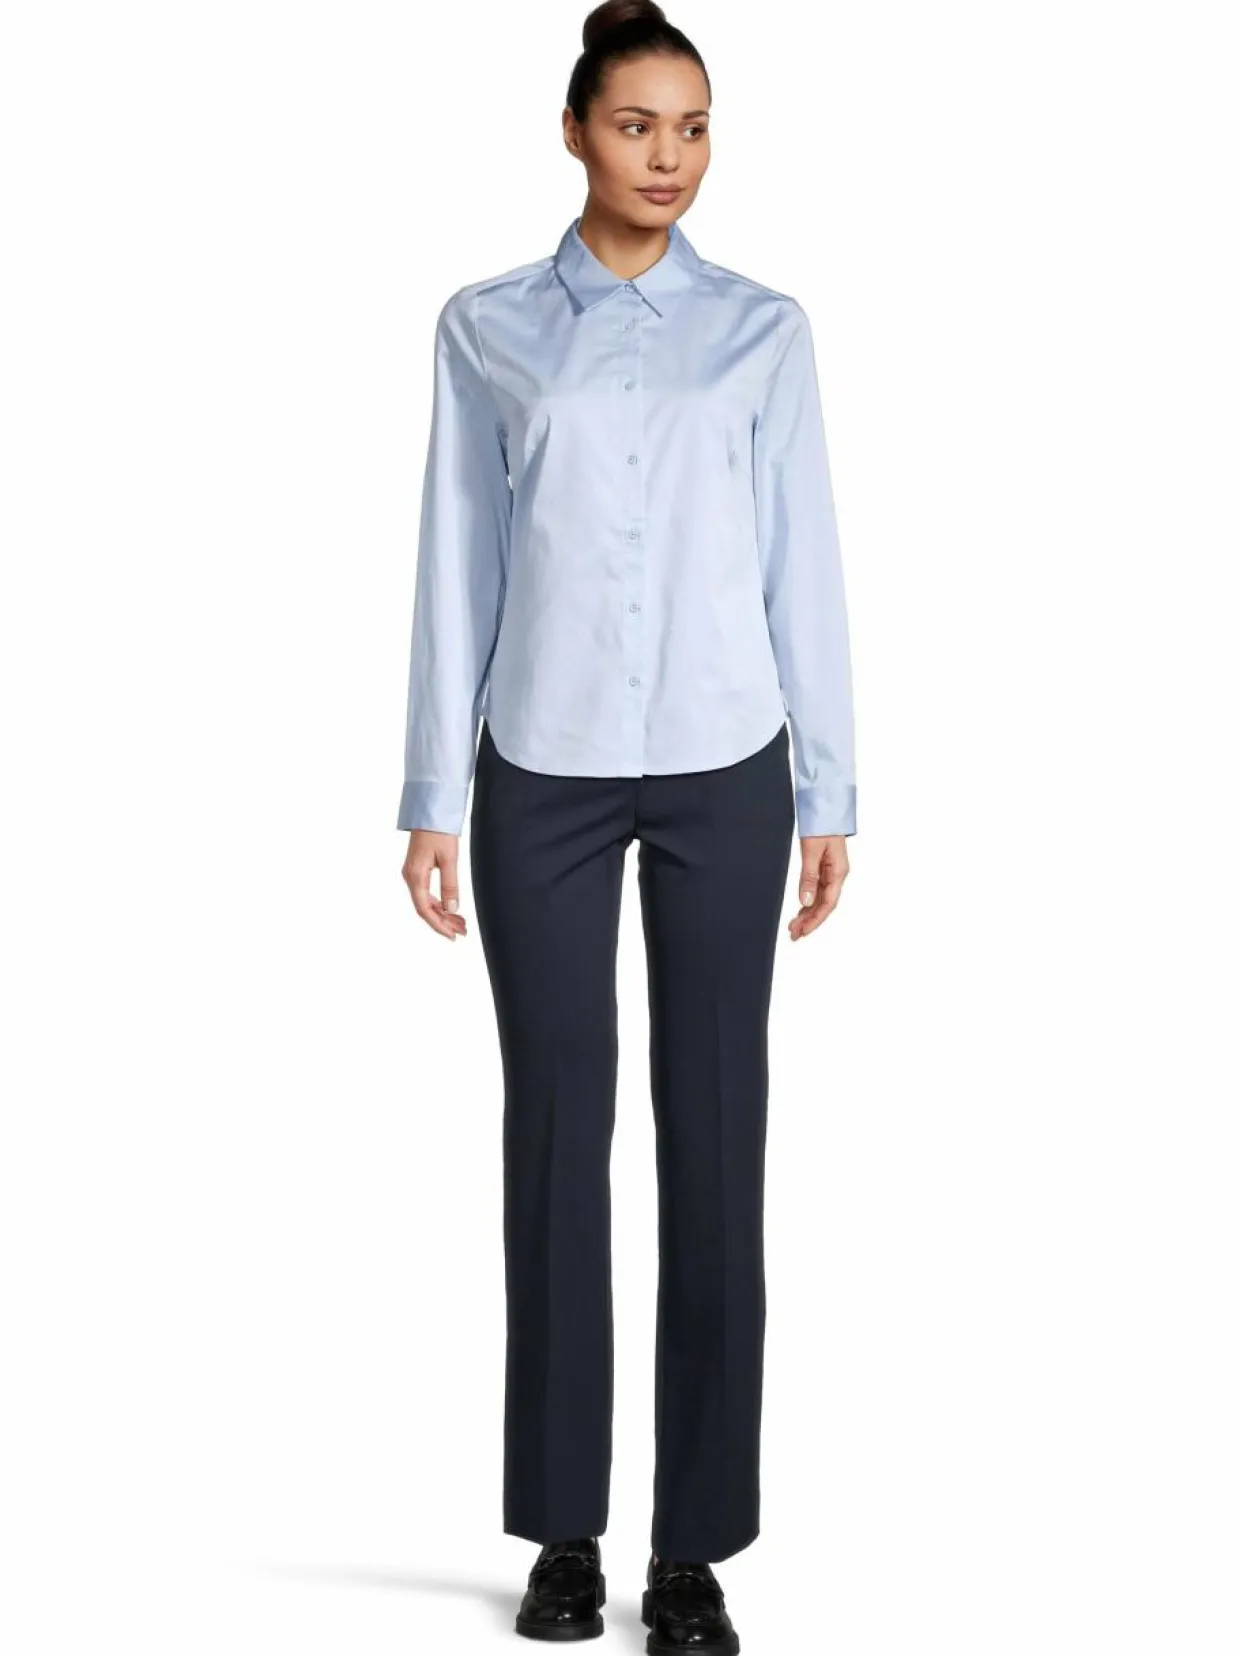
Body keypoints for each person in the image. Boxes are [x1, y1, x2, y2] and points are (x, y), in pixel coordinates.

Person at [397, 1, 856, 1647]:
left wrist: (830, 788)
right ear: (576, 131)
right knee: (554, 1134)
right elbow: (458, 559)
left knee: (716, 1135)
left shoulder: (765, 333)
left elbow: (804, 558)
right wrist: (431, 793)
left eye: (695, 126)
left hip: (730, 761)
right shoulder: (488, 330)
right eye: (638, 124)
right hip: (544, 763)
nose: (670, 157)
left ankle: (692, 1552)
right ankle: (565, 1533)